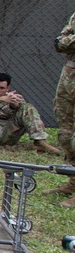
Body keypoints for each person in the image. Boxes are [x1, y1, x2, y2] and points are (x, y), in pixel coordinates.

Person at [0, 72, 61, 155]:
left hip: (8, 133)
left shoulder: (14, 97)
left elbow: (23, 110)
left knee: (27, 107)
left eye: (2, 88)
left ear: (8, 88)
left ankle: (40, 142)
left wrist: (15, 105)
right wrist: (2, 99)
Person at [51, 14, 75, 206]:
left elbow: (66, 41)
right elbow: (59, 42)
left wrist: (67, 41)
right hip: (69, 74)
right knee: (65, 133)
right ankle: (73, 181)